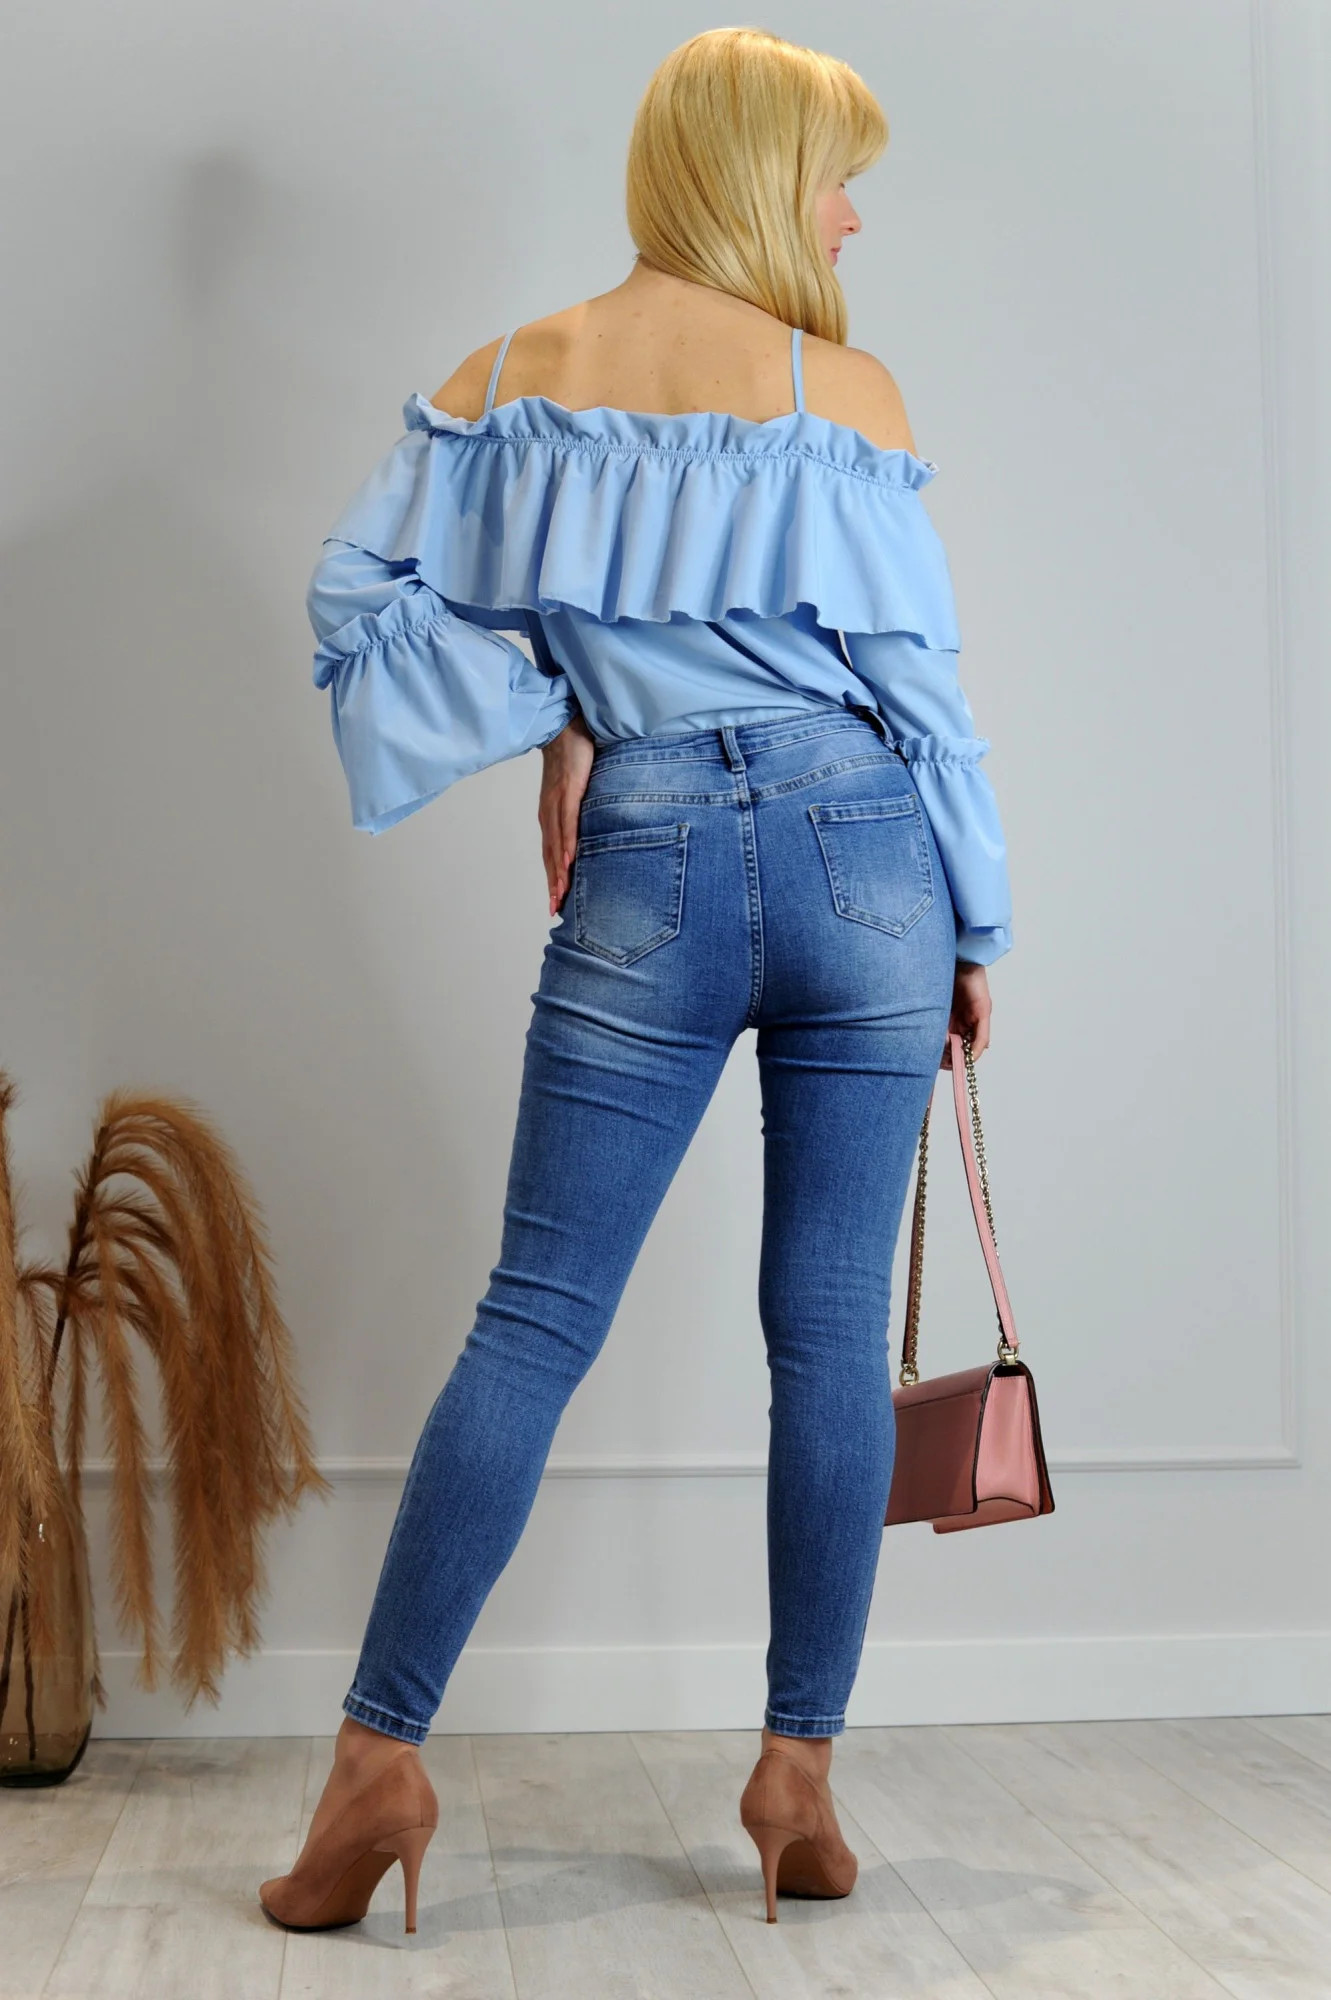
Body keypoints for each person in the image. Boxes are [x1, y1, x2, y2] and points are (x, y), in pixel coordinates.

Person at [260, 26, 1013, 1938]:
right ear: (759, 180)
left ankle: (375, 1765)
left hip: (650, 854)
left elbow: (355, 602)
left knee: (532, 1320)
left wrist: (568, 704)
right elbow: (924, 696)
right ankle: (797, 1777)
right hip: (868, 860)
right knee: (827, 1335)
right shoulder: (842, 390)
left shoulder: (517, 375)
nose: (850, 218)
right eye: (836, 179)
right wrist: (977, 926)